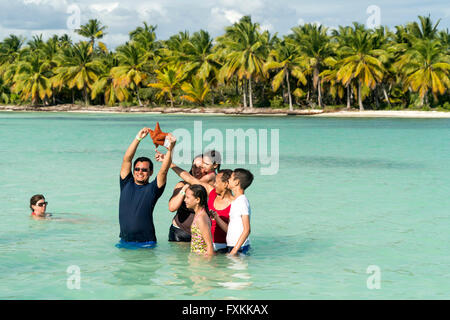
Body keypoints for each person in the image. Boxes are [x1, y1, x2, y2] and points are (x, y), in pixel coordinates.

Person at [116, 127, 177, 249]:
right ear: (133, 171)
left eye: (144, 170)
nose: (140, 172)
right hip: (124, 241)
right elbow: (127, 159)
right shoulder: (125, 183)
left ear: (150, 172)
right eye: (137, 169)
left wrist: (171, 149)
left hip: (146, 243)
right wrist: (138, 138)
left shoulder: (153, 189)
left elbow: (164, 171)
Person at [212, 168, 254, 255]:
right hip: (232, 246)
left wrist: (234, 251)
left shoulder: (242, 201)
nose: (228, 180)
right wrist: (216, 217)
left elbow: (247, 230)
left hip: (240, 248)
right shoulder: (235, 201)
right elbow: (229, 229)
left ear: (236, 182)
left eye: (230, 178)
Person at [167, 154, 206, 242]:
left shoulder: (211, 187)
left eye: (201, 167)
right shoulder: (182, 184)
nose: (197, 170)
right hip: (179, 232)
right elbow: (172, 207)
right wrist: (184, 189)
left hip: (202, 234)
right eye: (194, 167)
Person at [183, 184, 214, 256]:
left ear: (197, 200)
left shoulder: (201, 218)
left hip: (201, 260)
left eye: (187, 197)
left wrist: (209, 263)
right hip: (197, 259)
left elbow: (209, 245)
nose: (185, 200)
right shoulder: (198, 214)